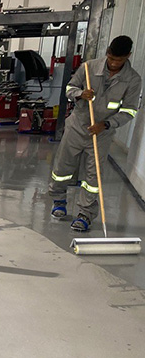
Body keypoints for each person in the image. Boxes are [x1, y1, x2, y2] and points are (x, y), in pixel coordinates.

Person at [49, 35, 141, 232]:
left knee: (93, 176)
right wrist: (80, 94)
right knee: (62, 167)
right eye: (111, 58)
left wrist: (107, 124)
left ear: (128, 56)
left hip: (101, 133)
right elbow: (69, 88)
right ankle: (58, 200)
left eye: (119, 60)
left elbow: (130, 110)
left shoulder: (133, 80)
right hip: (77, 126)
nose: (114, 63)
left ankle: (85, 214)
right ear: (107, 53)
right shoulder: (88, 68)